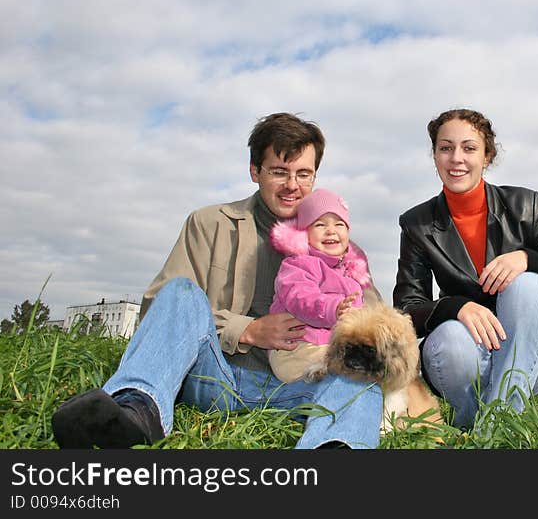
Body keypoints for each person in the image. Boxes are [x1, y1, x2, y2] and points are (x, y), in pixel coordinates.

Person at [51, 112, 384, 449]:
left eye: (303, 174)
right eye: (279, 172)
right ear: (255, 171)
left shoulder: (343, 250)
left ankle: (335, 447)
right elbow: (161, 310)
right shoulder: (208, 223)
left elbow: (376, 325)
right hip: (215, 375)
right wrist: (248, 330)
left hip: (302, 383)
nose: (292, 185)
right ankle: (136, 410)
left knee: (361, 375)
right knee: (179, 291)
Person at [393, 108, 538, 429]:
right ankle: (477, 424)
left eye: (469, 148)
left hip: (529, 356)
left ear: (487, 156)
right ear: (435, 155)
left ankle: (497, 423)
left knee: (528, 284)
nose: (457, 158)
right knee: (449, 337)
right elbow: (406, 312)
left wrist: (529, 259)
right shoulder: (416, 223)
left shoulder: (525, 206)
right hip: (464, 360)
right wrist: (454, 307)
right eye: (446, 148)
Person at [267, 187, 375, 383]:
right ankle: (327, 376)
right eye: (320, 225)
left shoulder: (350, 273)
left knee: (370, 362)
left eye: (339, 224)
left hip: (332, 347)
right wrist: (333, 308)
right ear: (305, 233)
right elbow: (300, 297)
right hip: (297, 348)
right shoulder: (298, 264)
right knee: (349, 368)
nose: (331, 230)